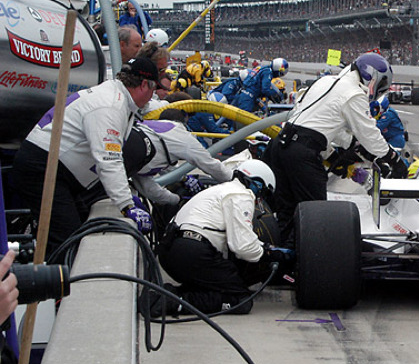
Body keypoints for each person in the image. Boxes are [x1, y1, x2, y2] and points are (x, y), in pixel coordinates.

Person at [12, 58, 159, 262]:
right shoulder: (111, 105)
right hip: (44, 167)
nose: (152, 97)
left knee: (79, 222)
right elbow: (109, 158)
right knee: (68, 237)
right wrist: (127, 205)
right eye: (153, 90)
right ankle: (57, 287)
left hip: (55, 166)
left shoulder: (115, 97)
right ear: (144, 85)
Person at [263, 53, 407, 246]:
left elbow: (326, 126)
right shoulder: (354, 93)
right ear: (372, 77)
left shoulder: (327, 81)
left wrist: (335, 154)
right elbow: (368, 134)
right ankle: (312, 266)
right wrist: (393, 159)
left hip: (280, 145)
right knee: (316, 218)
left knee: (286, 214)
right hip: (302, 155)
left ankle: (281, 262)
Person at [146, 160, 285, 316]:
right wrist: (271, 253)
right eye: (264, 194)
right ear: (258, 184)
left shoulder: (220, 190)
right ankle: (173, 302)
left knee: (214, 286)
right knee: (240, 300)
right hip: (193, 251)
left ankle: (166, 295)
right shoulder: (241, 195)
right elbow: (242, 246)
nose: (259, 201)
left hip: (170, 251)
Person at [123, 109, 233, 208]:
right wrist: (234, 179)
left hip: (122, 157)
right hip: (119, 157)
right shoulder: (179, 133)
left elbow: (150, 189)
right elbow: (209, 164)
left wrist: (176, 199)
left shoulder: (149, 131)